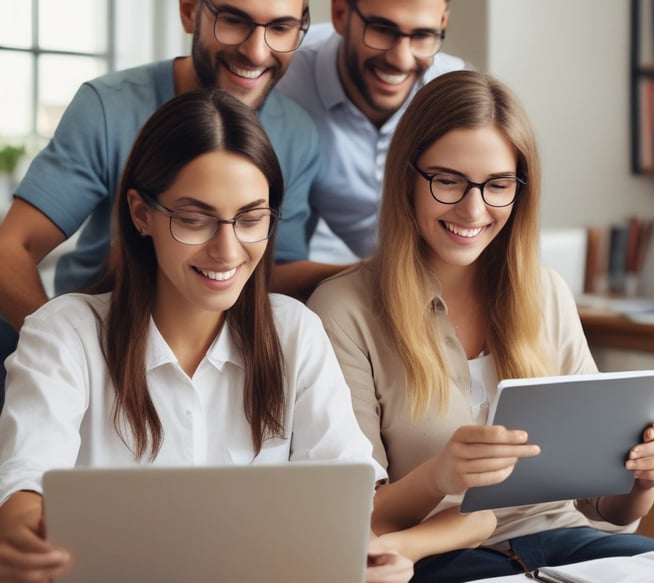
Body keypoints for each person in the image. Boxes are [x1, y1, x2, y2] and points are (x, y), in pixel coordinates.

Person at [0, 89, 503, 583]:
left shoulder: (294, 333)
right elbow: (25, 482)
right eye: (194, 219)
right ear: (141, 213)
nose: (227, 250)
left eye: (250, 219)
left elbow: (350, 505)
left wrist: (376, 559)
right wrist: (23, 531)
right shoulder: (65, 334)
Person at [307, 70, 654, 582]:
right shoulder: (343, 310)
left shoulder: (546, 292)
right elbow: (354, 517)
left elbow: (608, 508)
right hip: (437, 560)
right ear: (406, 179)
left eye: (498, 185)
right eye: (448, 181)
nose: (473, 209)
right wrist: (438, 476)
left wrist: (644, 476)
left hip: (571, 542)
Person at [0, 0, 342, 399]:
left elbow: (272, 270)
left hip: (216, 369)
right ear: (189, 11)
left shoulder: (298, 132)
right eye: (233, 20)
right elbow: (10, 248)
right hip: (101, 344)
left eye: (281, 28)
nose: (256, 51)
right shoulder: (109, 106)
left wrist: (366, 274)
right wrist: (67, 355)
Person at [276, 0, 465, 266]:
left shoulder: (454, 91)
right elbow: (274, 261)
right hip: (322, 274)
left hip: (425, 273)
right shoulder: (282, 81)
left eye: (423, 35)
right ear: (340, 14)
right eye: (382, 29)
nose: (401, 59)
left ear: (442, 24)